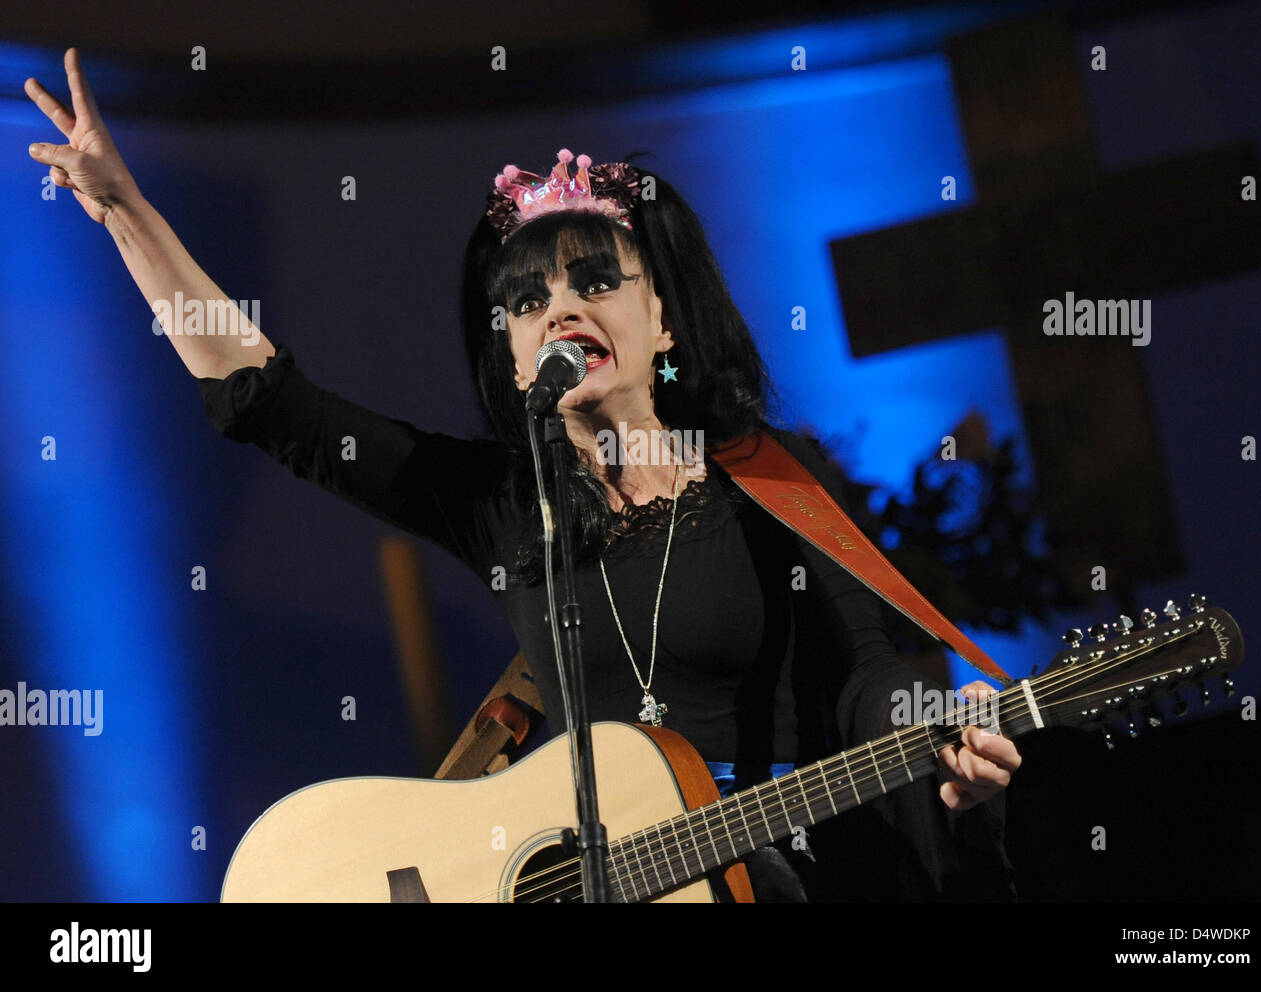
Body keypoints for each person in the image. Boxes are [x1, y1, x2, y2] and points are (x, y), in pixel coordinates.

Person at [26, 47, 1022, 902]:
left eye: (595, 281)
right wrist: (124, 213)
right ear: (512, 359)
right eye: (526, 300)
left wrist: (933, 734)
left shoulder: (770, 479)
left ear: (662, 321)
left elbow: (865, 676)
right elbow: (270, 405)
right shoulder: (509, 504)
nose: (559, 308)